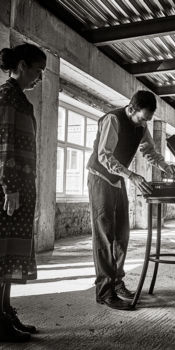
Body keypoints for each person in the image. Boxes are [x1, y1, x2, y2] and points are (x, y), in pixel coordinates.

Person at [87, 90, 175, 310]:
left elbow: (149, 152)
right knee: (104, 237)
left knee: (122, 235)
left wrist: (166, 166)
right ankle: (104, 292)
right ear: (131, 108)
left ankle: (117, 283)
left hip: (118, 181)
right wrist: (132, 175)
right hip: (100, 179)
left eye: (148, 119)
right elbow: (104, 156)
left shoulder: (141, 126)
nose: (144, 123)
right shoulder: (113, 120)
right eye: (143, 118)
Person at [0, 43, 46, 342]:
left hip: (21, 189)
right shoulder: (7, 96)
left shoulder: (19, 98)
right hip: (10, 191)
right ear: (20, 65)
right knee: (1, 256)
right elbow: (3, 144)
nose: (39, 77)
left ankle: (4, 312)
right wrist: (10, 187)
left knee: (9, 258)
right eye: (37, 70)